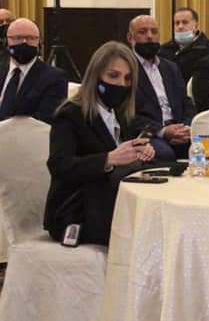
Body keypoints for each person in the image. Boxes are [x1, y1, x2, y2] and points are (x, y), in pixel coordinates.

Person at [43, 42, 156, 246]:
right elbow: (60, 166)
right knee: (146, 231)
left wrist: (139, 151)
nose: (121, 84)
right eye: (113, 76)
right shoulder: (70, 115)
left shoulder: (120, 114)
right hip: (76, 211)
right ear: (95, 76)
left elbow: (123, 155)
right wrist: (109, 159)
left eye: (127, 78)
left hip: (111, 201)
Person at [127, 15, 195, 161]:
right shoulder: (126, 69)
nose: (149, 36)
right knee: (165, 153)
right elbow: (126, 113)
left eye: (154, 31)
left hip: (178, 129)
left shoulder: (170, 67)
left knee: (205, 146)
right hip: (149, 132)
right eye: (142, 32)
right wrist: (162, 131)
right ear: (130, 37)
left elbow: (186, 102)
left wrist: (186, 127)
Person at [0, 18, 68, 123]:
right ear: (6, 42)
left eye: (31, 38)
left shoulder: (54, 78)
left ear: (39, 43)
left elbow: (44, 120)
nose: (24, 42)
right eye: (17, 38)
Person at [159, 7, 209, 83]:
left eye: (185, 22)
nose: (180, 27)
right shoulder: (163, 50)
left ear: (196, 26)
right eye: (177, 23)